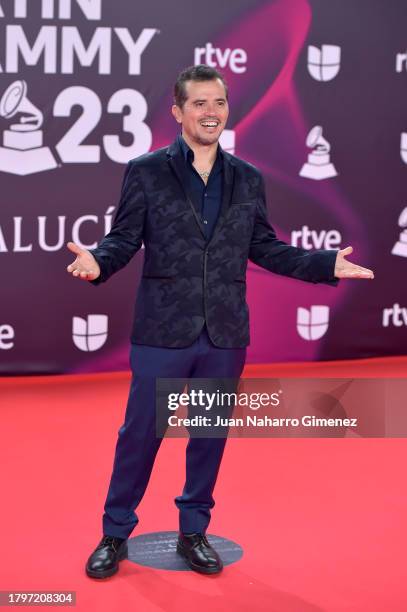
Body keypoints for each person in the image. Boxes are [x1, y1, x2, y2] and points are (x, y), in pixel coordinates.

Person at [66, 65, 374, 578]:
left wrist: (324, 264)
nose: (211, 113)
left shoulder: (248, 178)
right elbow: (123, 238)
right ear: (178, 112)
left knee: (209, 435)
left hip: (225, 333)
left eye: (219, 103)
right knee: (141, 434)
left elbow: (264, 247)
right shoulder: (146, 171)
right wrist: (99, 261)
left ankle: (194, 530)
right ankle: (114, 534)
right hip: (163, 330)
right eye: (200, 104)